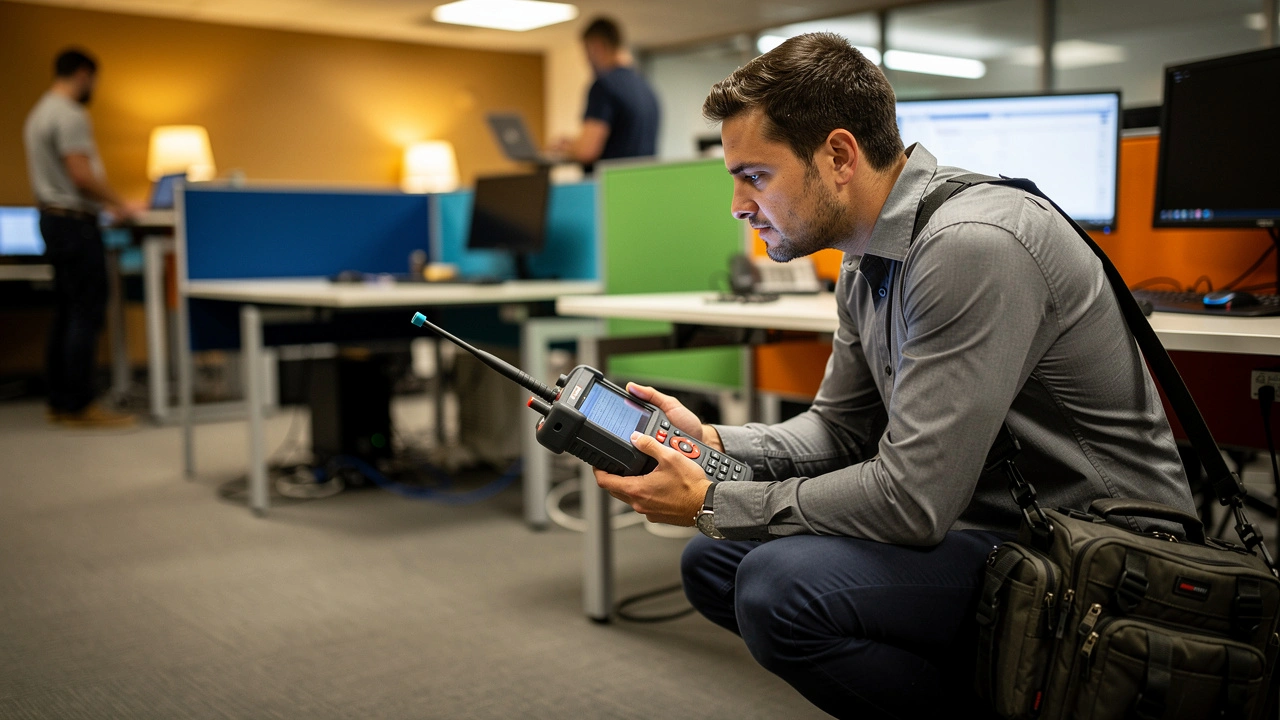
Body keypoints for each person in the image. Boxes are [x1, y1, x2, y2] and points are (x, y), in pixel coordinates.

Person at [593, 33, 1196, 719]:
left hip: (1099, 553)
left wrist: (713, 502)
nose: (737, 203)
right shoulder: (865, 253)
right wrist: (716, 445)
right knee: (716, 565)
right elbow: (842, 428)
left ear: (840, 155)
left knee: (777, 584)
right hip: (989, 522)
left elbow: (912, 502)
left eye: (756, 176)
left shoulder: (969, 246)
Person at [24, 48, 138, 428]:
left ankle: (59, 401)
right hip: (74, 223)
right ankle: (79, 405)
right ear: (84, 74)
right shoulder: (70, 114)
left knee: (66, 312)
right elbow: (81, 175)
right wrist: (120, 205)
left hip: (51, 220)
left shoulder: (39, 113)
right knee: (86, 312)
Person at [551, 17, 659, 170]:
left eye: (587, 52)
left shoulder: (604, 86)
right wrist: (576, 144)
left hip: (609, 188)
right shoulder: (646, 87)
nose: (587, 59)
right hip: (642, 184)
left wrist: (565, 149)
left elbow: (587, 151)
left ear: (597, 46)